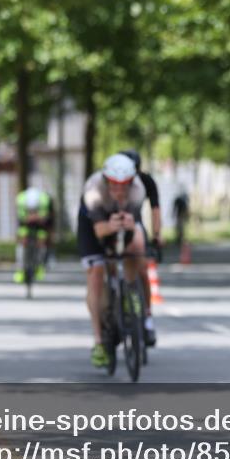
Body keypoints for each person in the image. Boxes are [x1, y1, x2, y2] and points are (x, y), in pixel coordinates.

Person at [78, 154, 147, 368]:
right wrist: (112, 226)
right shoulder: (93, 190)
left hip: (120, 221)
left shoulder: (138, 190)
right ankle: (98, 341)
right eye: (115, 185)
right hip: (93, 227)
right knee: (97, 272)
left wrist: (129, 225)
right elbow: (99, 231)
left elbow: (134, 227)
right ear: (107, 181)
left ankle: (130, 289)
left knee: (136, 246)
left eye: (124, 185)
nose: (119, 190)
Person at [119, 149, 160, 347]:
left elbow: (155, 210)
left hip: (135, 225)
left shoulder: (146, 181)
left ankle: (147, 317)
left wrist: (157, 237)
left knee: (142, 268)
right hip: (112, 223)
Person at [14, 186, 54, 283]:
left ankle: (39, 265)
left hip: (40, 227)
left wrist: (39, 219)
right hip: (25, 226)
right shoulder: (21, 201)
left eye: (35, 210)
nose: (32, 212)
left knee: (42, 238)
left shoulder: (44, 202)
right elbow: (19, 221)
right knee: (22, 239)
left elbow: (48, 220)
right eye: (30, 210)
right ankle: (20, 268)